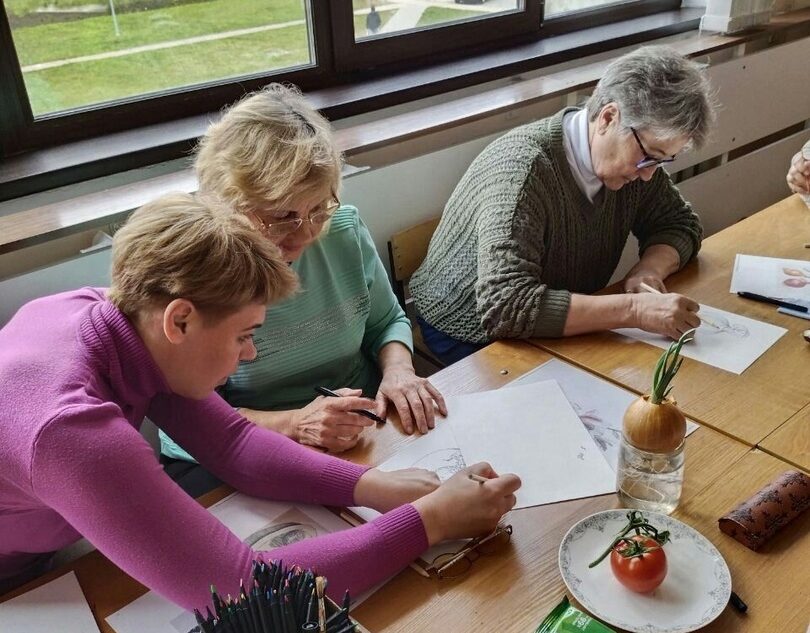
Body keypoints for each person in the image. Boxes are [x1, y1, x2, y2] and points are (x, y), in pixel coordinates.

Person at [0, 192, 521, 609]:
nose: (248, 355)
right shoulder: (72, 432)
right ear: (179, 319)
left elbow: (232, 442)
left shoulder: (109, 318)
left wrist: (372, 485)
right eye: (243, 335)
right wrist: (431, 521)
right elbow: (243, 589)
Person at [160, 84, 446, 494]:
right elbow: (181, 425)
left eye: (317, 210)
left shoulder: (342, 231)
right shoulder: (191, 276)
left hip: (357, 429)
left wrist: (399, 370)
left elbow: (386, 321)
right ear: (227, 204)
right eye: (281, 217)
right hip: (246, 447)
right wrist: (295, 424)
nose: (305, 234)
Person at [410, 46, 716, 365]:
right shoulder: (524, 171)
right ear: (609, 118)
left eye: (664, 160)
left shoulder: (634, 166)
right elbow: (507, 307)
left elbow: (679, 224)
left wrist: (649, 269)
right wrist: (634, 310)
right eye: (649, 155)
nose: (650, 173)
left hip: (541, 320)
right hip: (469, 330)